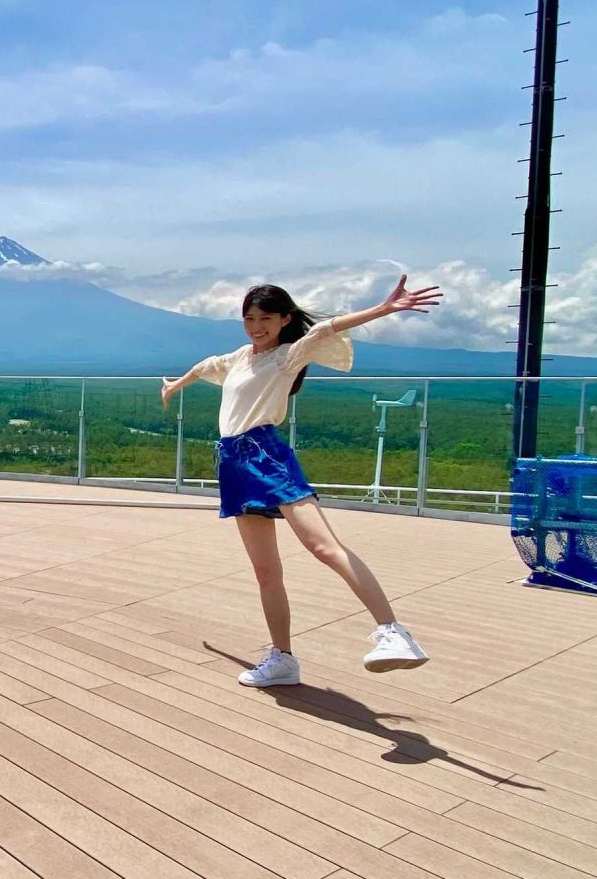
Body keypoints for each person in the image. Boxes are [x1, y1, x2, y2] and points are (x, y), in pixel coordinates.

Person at [162, 275, 442, 687]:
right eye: (249, 318)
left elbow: (326, 329)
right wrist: (176, 384)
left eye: (265, 318)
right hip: (235, 464)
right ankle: (283, 659)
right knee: (265, 571)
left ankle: (393, 631)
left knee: (323, 546)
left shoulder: (287, 356)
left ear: (284, 319)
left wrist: (384, 309)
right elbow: (207, 365)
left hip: (265, 456)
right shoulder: (242, 356)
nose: (256, 326)